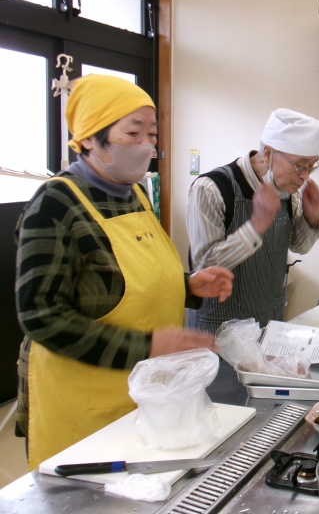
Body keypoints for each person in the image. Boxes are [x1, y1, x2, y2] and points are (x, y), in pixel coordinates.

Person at [15, 74, 234, 470]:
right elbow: (40, 315)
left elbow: (120, 280)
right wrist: (146, 347)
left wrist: (188, 286)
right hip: (84, 405)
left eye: (151, 134)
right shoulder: (55, 205)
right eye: (133, 133)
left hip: (147, 397)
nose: (147, 145)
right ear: (89, 138)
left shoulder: (133, 193)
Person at [186, 108, 319, 332]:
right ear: (268, 154)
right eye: (300, 165)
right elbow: (204, 266)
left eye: (312, 166)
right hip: (218, 332)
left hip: (268, 325)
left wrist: (312, 216)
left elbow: (300, 246)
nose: (305, 176)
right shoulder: (211, 189)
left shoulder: (289, 193)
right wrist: (256, 226)